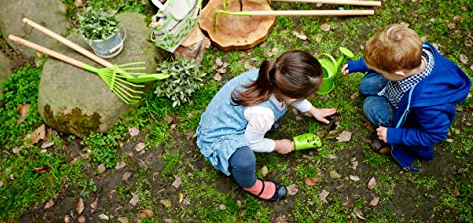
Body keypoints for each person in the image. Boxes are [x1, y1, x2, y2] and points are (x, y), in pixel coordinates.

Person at [196, 50, 337, 201]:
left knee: (261, 124)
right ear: (292, 96)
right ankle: (251, 185)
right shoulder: (263, 114)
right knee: (244, 160)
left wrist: (313, 110)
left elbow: (292, 97)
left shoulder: (272, 75)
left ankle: (255, 127)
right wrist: (279, 144)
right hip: (217, 138)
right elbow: (252, 143)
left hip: (223, 116)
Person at [342, 24, 471, 170]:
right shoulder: (416, 54)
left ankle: (388, 132)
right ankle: (384, 88)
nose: (378, 72)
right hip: (398, 89)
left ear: (399, 74)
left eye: (381, 71)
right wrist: (360, 65)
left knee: (370, 104)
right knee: (365, 85)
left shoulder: (428, 106)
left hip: (406, 115)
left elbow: (435, 135)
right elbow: (383, 59)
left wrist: (394, 135)